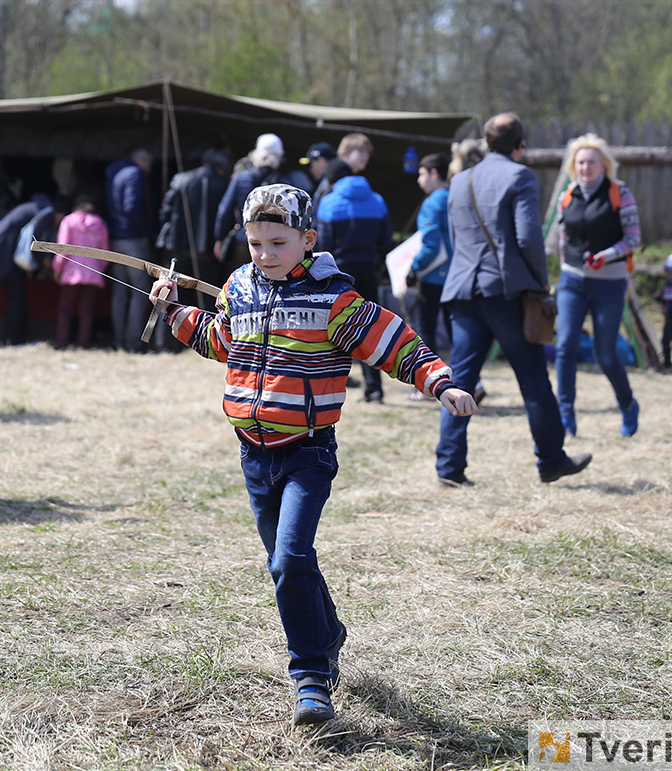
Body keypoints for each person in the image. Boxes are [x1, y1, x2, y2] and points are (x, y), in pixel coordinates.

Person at [150, 184, 476, 726]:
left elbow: (393, 344)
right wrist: (175, 313)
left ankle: (310, 677)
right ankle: (328, 635)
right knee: (288, 563)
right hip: (254, 455)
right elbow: (222, 343)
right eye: (255, 243)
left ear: (307, 239)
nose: (265, 254)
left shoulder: (332, 301)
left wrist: (440, 383)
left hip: (307, 452)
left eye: (277, 242)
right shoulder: (239, 288)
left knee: (290, 558)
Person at [436, 112, 592, 487]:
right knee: (534, 382)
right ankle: (551, 460)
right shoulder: (519, 175)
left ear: (488, 143)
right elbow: (527, 238)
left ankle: (449, 469)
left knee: (459, 383)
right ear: (521, 146)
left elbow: (457, 237)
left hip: (462, 289)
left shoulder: (459, 181)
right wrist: (540, 283)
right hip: (504, 292)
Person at [553, 134, 643, 438]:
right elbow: (562, 236)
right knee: (565, 346)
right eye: (580, 162)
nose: (585, 167)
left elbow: (633, 238)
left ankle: (628, 404)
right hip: (572, 281)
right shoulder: (568, 195)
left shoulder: (620, 193)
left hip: (609, 283)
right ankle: (565, 415)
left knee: (606, 354)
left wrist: (607, 256)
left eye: (591, 161)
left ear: (604, 165)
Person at [315, 160, 393, 402]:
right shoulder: (377, 200)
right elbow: (386, 238)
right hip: (368, 269)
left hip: (339, 273)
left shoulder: (329, 202)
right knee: (368, 327)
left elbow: (323, 243)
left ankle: (329, 388)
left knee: (333, 328)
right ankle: (374, 388)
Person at [213, 134, 306, 271]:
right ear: (279, 156)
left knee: (240, 285)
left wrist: (219, 238)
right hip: (275, 245)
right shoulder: (284, 182)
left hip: (244, 240)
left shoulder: (241, 177)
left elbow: (224, 210)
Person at [0, 192, 52, 346]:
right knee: (17, 296)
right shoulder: (47, 211)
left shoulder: (31, 207)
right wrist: (40, 262)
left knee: (15, 294)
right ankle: (13, 341)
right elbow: (37, 240)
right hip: (0, 250)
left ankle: (13, 339)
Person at [156, 148, 229, 310]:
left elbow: (165, 212)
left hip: (177, 246)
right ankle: (206, 333)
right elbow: (226, 217)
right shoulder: (222, 184)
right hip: (207, 250)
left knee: (170, 294)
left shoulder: (181, 179)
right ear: (221, 167)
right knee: (206, 298)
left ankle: (165, 335)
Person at [107, 147, 159, 352]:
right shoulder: (135, 174)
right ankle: (133, 343)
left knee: (119, 292)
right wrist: (145, 231)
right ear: (143, 160)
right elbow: (131, 207)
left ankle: (119, 340)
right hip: (133, 239)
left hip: (116, 238)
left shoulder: (116, 173)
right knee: (139, 291)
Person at [408, 153, 453, 364]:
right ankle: (470, 381)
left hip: (434, 276)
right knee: (457, 331)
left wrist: (414, 268)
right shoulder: (457, 197)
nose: (419, 180)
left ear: (434, 174)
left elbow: (431, 245)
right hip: (457, 275)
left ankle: (430, 382)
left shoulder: (432, 203)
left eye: (422, 174)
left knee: (425, 329)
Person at [52, 199, 109, 349]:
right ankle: (82, 345)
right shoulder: (100, 223)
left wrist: (57, 269)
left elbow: (62, 248)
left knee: (65, 310)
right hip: (93, 272)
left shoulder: (68, 221)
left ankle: (61, 343)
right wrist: (100, 269)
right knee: (87, 311)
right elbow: (105, 251)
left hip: (71, 272)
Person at [311, 133, 374, 211]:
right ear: (346, 151)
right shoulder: (337, 173)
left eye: (368, 152)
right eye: (361, 151)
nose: (366, 156)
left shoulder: (341, 172)